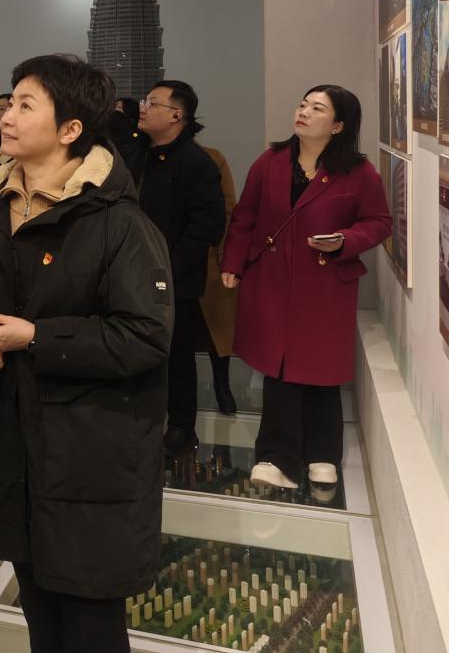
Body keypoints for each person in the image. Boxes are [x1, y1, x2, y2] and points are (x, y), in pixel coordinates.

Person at [0, 55, 173, 653]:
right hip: (12, 443)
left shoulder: (119, 223)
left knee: (90, 627)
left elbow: (146, 334)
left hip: (90, 456)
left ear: (70, 130)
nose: (5, 116)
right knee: (41, 618)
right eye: (9, 103)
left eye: (24, 105)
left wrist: (36, 338)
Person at [221, 85, 391, 490]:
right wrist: (232, 263)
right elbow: (245, 216)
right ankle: (274, 456)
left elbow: (379, 222)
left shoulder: (359, 171)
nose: (304, 112)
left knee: (320, 368)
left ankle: (322, 453)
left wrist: (344, 240)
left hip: (325, 283)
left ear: (338, 125)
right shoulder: (271, 161)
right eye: (303, 104)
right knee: (279, 368)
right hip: (273, 280)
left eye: (317, 108)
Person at [132, 81, 225, 454]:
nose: (143, 107)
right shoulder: (133, 154)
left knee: (176, 355)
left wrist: (165, 267)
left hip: (172, 279)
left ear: (177, 115)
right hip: (126, 273)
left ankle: (181, 427)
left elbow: (207, 227)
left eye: (152, 102)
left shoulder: (197, 164)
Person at [199, 144, 239, 415]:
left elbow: (229, 209)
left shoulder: (211, 158)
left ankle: (222, 385)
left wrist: (227, 255)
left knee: (218, 331)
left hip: (210, 256)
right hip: (166, 256)